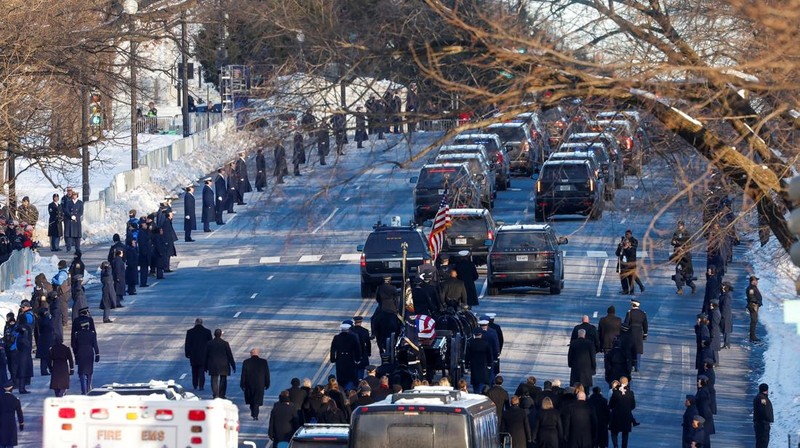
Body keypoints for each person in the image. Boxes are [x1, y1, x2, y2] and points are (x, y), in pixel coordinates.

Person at [71, 309, 99, 394]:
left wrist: (75, 353)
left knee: (81, 371)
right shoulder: (91, 331)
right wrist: (97, 353)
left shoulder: (77, 332)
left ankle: (83, 390)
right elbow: (95, 343)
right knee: (89, 371)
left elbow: (74, 342)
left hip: (80, 351)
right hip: (89, 352)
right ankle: (88, 387)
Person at [330, 321, 361, 391]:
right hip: (350, 358)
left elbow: (333, 349)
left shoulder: (337, 337)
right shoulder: (353, 337)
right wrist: (357, 359)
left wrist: (333, 359)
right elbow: (357, 349)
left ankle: (342, 389)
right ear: (349, 329)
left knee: (341, 376)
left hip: (340, 359)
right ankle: (351, 390)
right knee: (351, 376)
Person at [240, 348, 271, 420]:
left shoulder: (246, 362)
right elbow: (267, 374)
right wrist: (267, 383)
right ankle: (255, 414)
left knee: (251, 399)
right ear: (258, 353)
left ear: (251, 353)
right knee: (257, 400)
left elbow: (243, 374)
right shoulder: (263, 362)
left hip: (249, 384)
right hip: (260, 384)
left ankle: (254, 413)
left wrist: (242, 384)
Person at [205, 329, 235, 399]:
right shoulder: (225, 343)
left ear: (214, 334)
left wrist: (205, 366)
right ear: (221, 334)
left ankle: (215, 394)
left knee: (214, 380)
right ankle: (222, 394)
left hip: (213, 364)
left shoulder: (209, 343)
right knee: (223, 379)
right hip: (223, 364)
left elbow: (206, 355)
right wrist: (233, 364)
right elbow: (229, 354)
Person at [185, 318, 212, 391]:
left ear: (195, 323)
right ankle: (201, 386)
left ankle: (195, 384)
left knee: (194, 370)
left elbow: (187, 344)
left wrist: (187, 353)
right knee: (202, 370)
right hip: (203, 355)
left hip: (193, 355)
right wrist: (210, 354)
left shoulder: (190, 332)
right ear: (202, 323)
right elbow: (210, 344)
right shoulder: (207, 332)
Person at [608, 377, 635, 448]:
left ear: (620, 383)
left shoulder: (615, 393)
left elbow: (611, 405)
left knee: (614, 432)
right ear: (627, 383)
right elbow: (633, 406)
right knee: (625, 434)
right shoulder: (631, 393)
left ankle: (615, 445)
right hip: (626, 416)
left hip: (616, 416)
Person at [464, 329, 492, 393]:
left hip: (474, 365)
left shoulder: (471, 343)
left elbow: (467, 355)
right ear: (481, 335)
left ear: (474, 335)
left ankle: (476, 392)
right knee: (482, 380)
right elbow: (489, 355)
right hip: (483, 365)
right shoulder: (486, 343)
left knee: (475, 381)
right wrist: (489, 364)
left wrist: (466, 365)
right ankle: (481, 392)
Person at [623, 299, 647, 372]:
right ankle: (637, 366)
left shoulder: (629, 313)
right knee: (638, 349)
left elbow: (626, 324)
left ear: (632, 305)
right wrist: (645, 334)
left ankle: (631, 365)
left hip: (631, 332)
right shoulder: (643, 313)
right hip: (639, 332)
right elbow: (645, 325)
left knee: (630, 349)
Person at [0, 380, 23, 447]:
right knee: (10, 442)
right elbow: (19, 413)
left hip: (1, 422)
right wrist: (21, 424)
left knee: (2, 442)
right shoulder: (15, 400)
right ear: (12, 388)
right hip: (11, 422)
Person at [695, 375, 715, 448]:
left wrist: (701, 419)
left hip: (704, 417)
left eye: (699, 381)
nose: (697, 383)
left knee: (705, 436)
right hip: (705, 416)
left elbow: (703, 406)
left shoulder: (703, 392)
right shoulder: (703, 390)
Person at [350, 316, 371, 380]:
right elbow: (368, 343)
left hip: (353, 353)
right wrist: (368, 352)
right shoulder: (365, 331)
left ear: (355, 322)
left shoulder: (351, 331)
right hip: (362, 352)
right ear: (361, 322)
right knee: (361, 369)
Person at [753, 383, 773, 448]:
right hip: (762, 424)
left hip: (760, 423)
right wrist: (768, 419)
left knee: (760, 442)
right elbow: (764, 410)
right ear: (766, 390)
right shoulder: (762, 399)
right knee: (763, 442)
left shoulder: (760, 397)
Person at [35, 306, 54, 376]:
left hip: (44, 339)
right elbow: (50, 327)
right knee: (46, 355)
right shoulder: (44, 320)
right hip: (46, 339)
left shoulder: (41, 320)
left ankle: (48, 369)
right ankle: (45, 370)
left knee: (46, 356)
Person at [746, 276, 762, 342]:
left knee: (754, 321)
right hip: (753, 306)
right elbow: (751, 297)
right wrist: (757, 301)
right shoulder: (751, 288)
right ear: (752, 281)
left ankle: (752, 336)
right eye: (756, 281)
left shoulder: (753, 287)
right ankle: (752, 337)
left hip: (755, 306)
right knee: (754, 321)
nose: (757, 282)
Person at [719, 281, 733, 349]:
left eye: (723, 286)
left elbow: (725, 306)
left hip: (725, 315)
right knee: (725, 330)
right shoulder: (724, 294)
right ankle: (726, 343)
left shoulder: (727, 296)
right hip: (725, 314)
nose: (722, 287)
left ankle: (726, 344)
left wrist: (722, 315)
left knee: (726, 330)